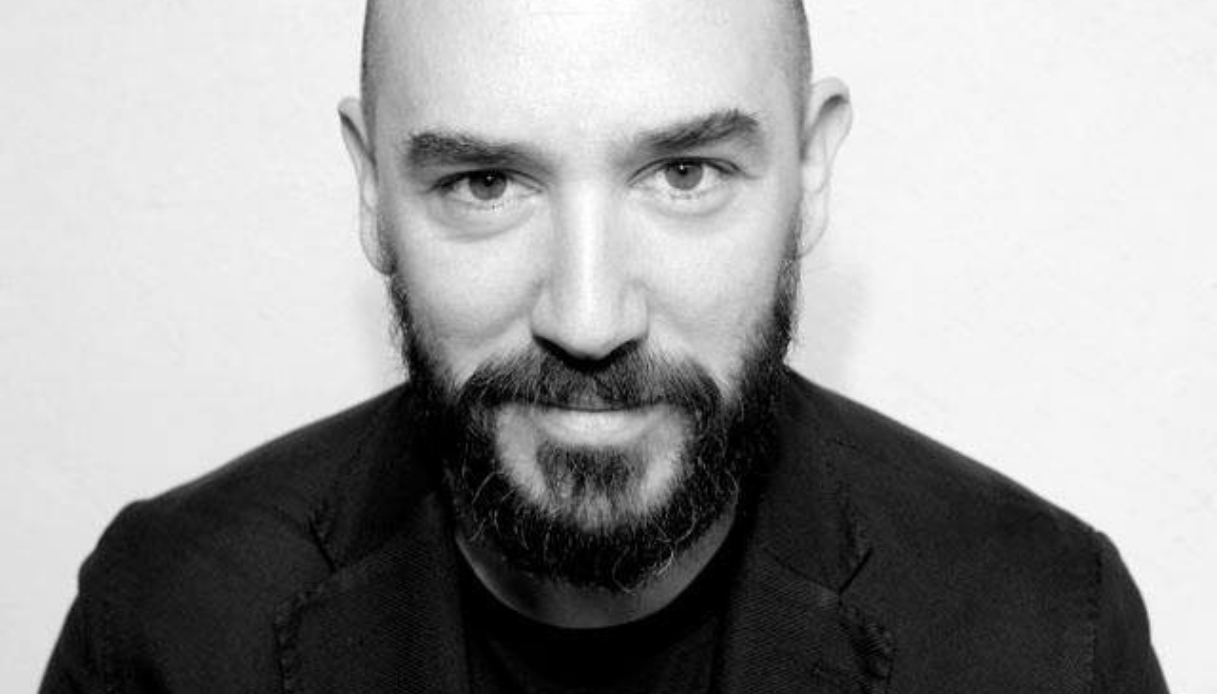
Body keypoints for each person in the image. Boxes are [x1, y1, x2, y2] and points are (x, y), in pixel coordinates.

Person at [40, 0, 1168, 692]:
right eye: (485, 183)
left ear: (809, 173)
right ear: (371, 189)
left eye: (683, 174)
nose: (586, 320)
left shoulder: (1042, 635)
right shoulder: (169, 628)